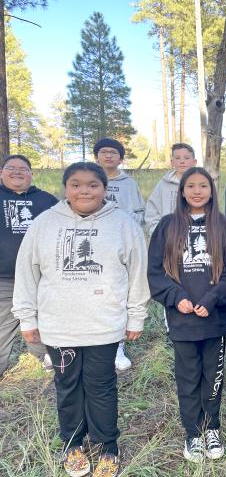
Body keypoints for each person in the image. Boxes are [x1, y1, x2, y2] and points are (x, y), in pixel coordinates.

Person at [12, 162, 149, 477]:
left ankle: (107, 447)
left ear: (104, 188)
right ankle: (72, 444)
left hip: (103, 325)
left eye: (92, 184)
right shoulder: (44, 224)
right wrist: (27, 318)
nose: (84, 190)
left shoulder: (123, 223)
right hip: (59, 327)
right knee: (67, 385)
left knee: (101, 387)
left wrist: (136, 316)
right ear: (65, 188)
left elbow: (137, 274)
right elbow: (27, 273)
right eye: (76, 184)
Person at [148, 167, 226, 463]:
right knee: (187, 378)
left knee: (212, 377)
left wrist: (213, 299)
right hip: (182, 321)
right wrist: (178, 298)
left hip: (213, 320)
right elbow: (155, 272)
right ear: (182, 191)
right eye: (191, 186)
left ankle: (212, 427)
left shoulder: (224, 226)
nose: (198, 191)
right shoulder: (167, 226)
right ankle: (194, 433)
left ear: (212, 190)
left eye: (204, 185)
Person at [0, 155, 57, 375]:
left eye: (23, 168)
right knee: (4, 323)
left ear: (31, 174)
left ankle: (48, 356)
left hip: (39, 275)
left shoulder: (46, 200)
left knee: (43, 316)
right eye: (11, 168)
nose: (17, 172)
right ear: (2, 173)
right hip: (4, 277)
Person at [94, 137, 145, 371]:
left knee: (119, 290)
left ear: (121, 158)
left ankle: (117, 345)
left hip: (120, 244)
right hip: (94, 243)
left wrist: (128, 231)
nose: (108, 156)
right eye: (104, 152)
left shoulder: (128, 183)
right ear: (97, 156)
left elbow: (138, 211)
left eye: (113, 152)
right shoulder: (89, 178)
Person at [144, 142, 197, 234]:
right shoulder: (163, 185)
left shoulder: (201, 184)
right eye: (177, 158)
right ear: (172, 162)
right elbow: (152, 211)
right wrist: (158, 232)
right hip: (168, 236)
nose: (182, 161)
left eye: (186, 158)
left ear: (194, 162)